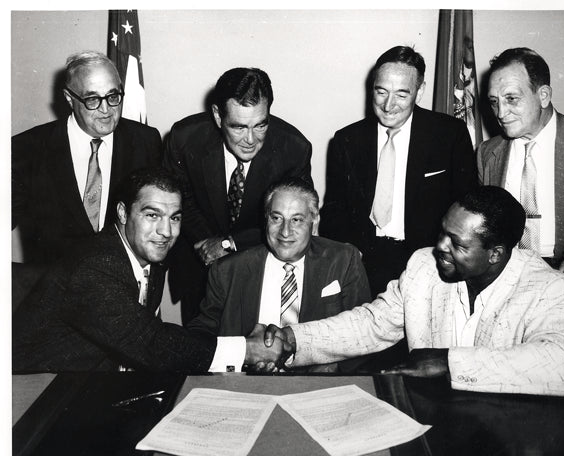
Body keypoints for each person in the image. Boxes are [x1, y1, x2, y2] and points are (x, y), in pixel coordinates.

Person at [263, 186, 564, 397]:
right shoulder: (424, 266)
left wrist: (448, 363)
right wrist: (293, 339)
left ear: (496, 253)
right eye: (443, 232)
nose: (440, 247)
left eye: (458, 243)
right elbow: (370, 324)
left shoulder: (552, 289)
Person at [12, 168, 288, 373]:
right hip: (31, 393)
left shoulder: (148, 253)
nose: (166, 232)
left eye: (175, 218)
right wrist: (247, 350)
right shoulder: (95, 267)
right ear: (122, 214)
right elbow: (151, 342)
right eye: (152, 215)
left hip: (92, 382)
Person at [319, 45, 476, 298]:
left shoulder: (450, 135)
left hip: (428, 263)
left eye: (401, 95)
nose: (388, 105)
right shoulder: (347, 139)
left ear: (420, 91)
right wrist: (350, 251)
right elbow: (334, 209)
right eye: (381, 92)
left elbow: (465, 207)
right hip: (364, 263)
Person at [164, 67, 313, 323]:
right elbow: (178, 199)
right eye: (239, 127)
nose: (251, 140)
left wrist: (229, 243)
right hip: (198, 268)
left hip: (260, 266)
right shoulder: (184, 138)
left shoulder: (294, 149)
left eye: (260, 125)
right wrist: (206, 243)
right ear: (217, 116)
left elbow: (295, 219)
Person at [188, 177, 371, 371]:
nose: (285, 231)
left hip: (317, 386)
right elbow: (200, 336)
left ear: (314, 220)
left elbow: (364, 335)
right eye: (276, 218)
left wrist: (332, 366)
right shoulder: (227, 270)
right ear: (265, 218)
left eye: (296, 220)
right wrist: (242, 357)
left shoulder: (343, 260)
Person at [12, 51, 162, 265]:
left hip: (122, 285)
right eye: (92, 99)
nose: (106, 109)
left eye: (113, 96)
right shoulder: (27, 148)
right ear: (69, 98)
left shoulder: (145, 141)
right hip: (53, 288)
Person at [477, 47, 564, 287]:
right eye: (494, 102)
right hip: (508, 275)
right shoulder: (487, 154)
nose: (501, 113)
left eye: (512, 99)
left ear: (543, 96)